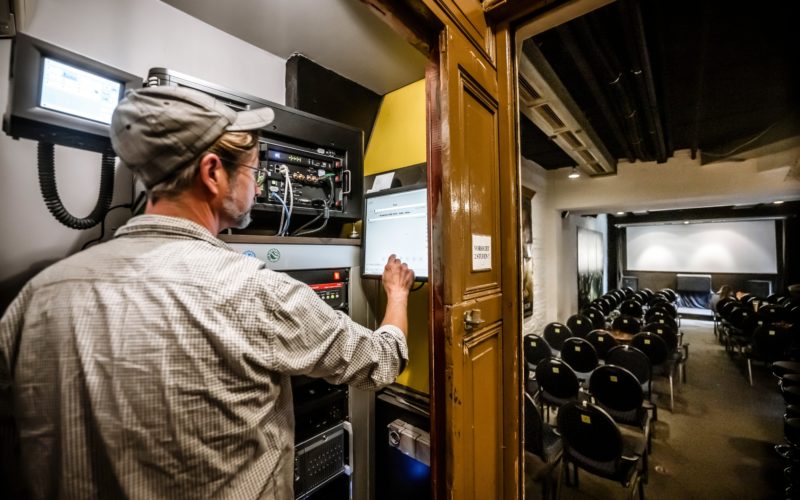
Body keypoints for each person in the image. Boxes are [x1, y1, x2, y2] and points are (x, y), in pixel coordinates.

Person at [0, 86, 415, 499]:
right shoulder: (254, 291)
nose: (255, 188)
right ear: (213, 173)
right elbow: (380, 361)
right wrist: (396, 295)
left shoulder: (36, 296)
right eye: (253, 172)